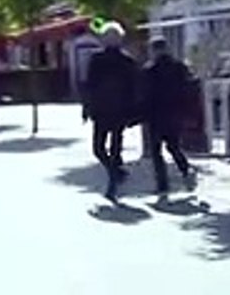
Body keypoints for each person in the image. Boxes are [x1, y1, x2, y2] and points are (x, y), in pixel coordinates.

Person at [84, 22, 140, 201]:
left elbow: (89, 86)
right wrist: (134, 111)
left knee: (98, 147)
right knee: (116, 145)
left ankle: (114, 175)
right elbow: (135, 88)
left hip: (101, 109)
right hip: (120, 110)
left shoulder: (97, 59)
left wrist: (86, 107)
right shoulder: (127, 61)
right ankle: (115, 175)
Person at [144, 35, 195, 195]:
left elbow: (145, 94)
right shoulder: (179, 67)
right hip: (175, 112)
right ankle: (185, 169)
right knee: (174, 146)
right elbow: (188, 88)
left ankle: (162, 185)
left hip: (156, 114)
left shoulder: (150, 70)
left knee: (156, 150)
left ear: (153, 50)